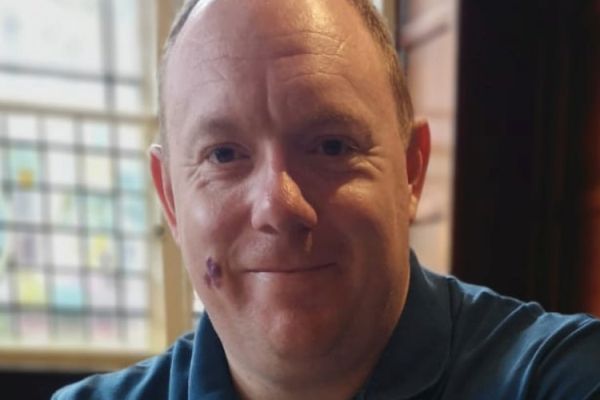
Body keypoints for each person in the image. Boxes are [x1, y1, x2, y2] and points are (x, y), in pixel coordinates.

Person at [53, 0, 600, 399]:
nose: (277, 205)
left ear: (411, 172)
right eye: (223, 155)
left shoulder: (562, 378)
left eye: (332, 146)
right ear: (170, 199)